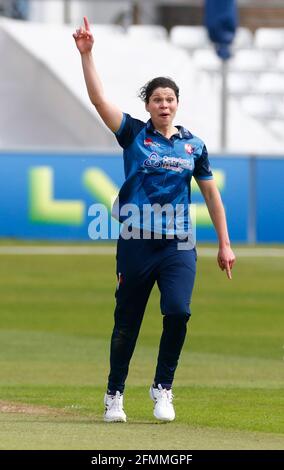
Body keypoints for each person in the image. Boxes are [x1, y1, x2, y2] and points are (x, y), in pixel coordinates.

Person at [73, 17, 236, 423]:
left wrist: (225, 242)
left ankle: (163, 388)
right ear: (148, 106)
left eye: (170, 99)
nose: (164, 104)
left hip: (179, 243)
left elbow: (211, 194)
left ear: (177, 104)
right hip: (137, 241)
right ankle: (115, 394)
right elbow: (98, 100)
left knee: (178, 312)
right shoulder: (133, 134)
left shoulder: (194, 145)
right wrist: (87, 54)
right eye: (157, 99)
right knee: (127, 321)